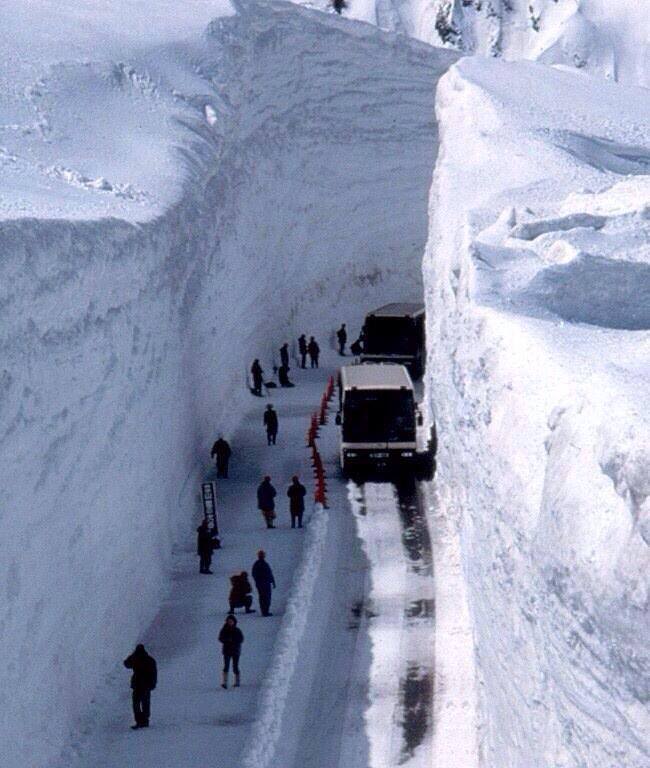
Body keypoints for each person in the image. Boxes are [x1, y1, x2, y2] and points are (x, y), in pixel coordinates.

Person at [123, 644, 157, 729]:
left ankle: (139, 721)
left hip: (137, 684)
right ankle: (145, 721)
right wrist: (153, 684)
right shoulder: (150, 660)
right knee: (145, 703)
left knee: (136, 704)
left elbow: (126, 663)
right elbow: (154, 673)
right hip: (146, 685)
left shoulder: (135, 658)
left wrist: (133, 656)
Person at [218, 614, 244, 689]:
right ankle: (225, 682)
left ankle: (237, 681)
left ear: (234, 622)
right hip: (227, 650)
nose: (230, 622)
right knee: (226, 666)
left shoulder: (237, 630)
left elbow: (241, 639)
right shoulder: (224, 630)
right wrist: (227, 640)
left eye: (231, 621)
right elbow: (220, 638)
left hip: (235, 651)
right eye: (229, 621)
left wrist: (234, 641)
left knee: (235, 666)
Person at [252, 550, 276, 617]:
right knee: (265, 597)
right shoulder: (260, 564)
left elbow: (269, 573)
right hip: (264, 584)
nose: (262, 556)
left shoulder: (260, 564)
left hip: (264, 583)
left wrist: (273, 581)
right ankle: (265, 611)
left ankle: (265, 611)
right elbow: (255, 574)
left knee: (264, 597)